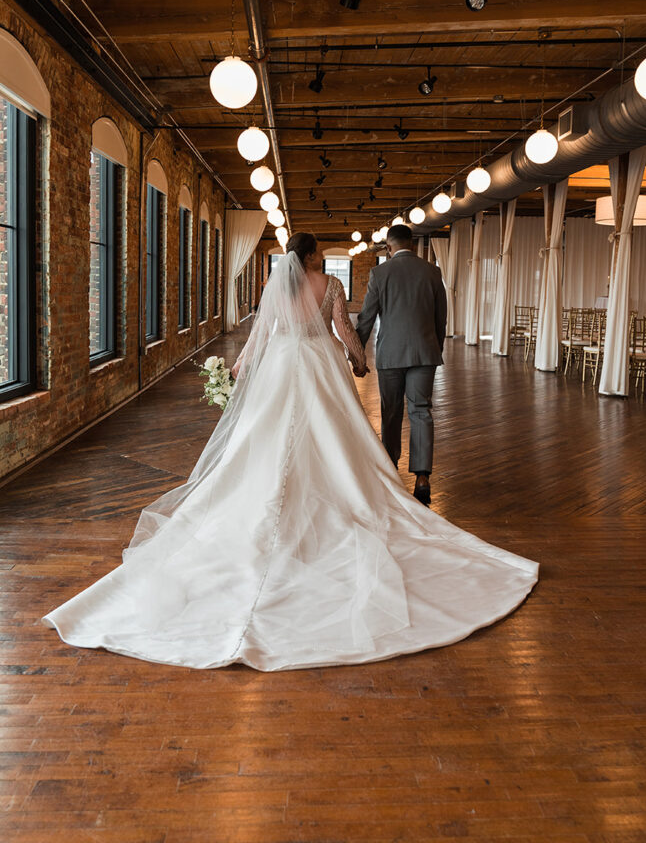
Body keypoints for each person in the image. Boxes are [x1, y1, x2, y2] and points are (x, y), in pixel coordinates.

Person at [42, 232, 537, 672]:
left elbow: (259, 335)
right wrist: (358, 361)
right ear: (314, 258)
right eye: (320, 254)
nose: (321, 259)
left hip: (281, 365)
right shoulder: (332, 287)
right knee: (334, 438)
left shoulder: (276, 288)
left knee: (266, 440)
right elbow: (344, 330)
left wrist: (235, 372)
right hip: (320, 366)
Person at [356, 224, 446, 506]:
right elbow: (440, 317)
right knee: (421, 411)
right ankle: (422, 477)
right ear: (413, 244)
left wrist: (357, 353)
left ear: (388, 247)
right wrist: (434, 348)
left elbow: (367, 317)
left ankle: (390, 469)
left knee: (391, 412)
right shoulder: (432, 271)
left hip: (391, 355)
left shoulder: (380, 273)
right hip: (424, 353)